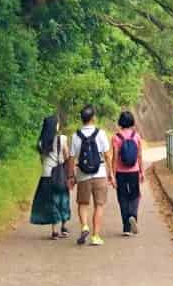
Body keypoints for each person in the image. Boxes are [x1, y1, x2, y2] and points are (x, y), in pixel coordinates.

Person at [68, 104, 111, 246]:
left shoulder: (75, 136)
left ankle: (84, 226)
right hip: (100, 173)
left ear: (81, 119)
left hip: (82, 175)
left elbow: (72, 158)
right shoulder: (101, 133)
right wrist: (111, 173)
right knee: (99, 205)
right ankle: (95, 236)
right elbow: (107, 155)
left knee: (83, 204)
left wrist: (71, 176)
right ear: (93, 118)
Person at [29, 115, 71, 239]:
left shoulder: (41, 142)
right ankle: (64, 227)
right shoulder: (62, 139)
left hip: (46, 175)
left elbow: (42, 160)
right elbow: (67, 156)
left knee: (52, 202)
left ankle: (54, 231)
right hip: (59, 174)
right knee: (63, 200)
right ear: (55, 126)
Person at [111, 110, 144, 236]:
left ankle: (126, 228)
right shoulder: (136, 136)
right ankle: (133, 216)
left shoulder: (116, 137)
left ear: (120, 122)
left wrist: (112, 175)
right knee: (135, 196)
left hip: (120, 172)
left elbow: (114, 157)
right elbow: (140, 156)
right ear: (132, 121)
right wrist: (142, 172)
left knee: (123, 198)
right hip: (134, 171)